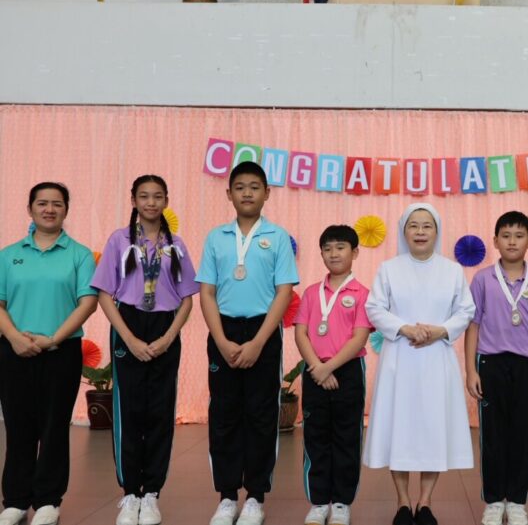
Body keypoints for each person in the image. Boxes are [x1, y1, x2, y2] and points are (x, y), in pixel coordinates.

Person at [91, 175, 200, 525]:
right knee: (129, 411)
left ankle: (151, 493)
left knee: (160, 411)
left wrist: (168, 337)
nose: (151, 202)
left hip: (165, 325)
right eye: (144, 196)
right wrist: (129, 339)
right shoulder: (119, 240)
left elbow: (187, 298)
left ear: (166, 201)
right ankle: (130, 494)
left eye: (157, 196)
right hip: (129, 324)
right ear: (134, 200)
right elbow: (104, 294)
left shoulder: (176, 244)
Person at [196, 162, 298, 525]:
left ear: (267, 193)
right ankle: (227, 497)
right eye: (240, 187)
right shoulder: (216, 237)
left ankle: (255, 496)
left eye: (255, 187)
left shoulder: (278, 237)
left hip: (263, 331)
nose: (247, 193)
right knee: (223, 415)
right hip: (223, 330)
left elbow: (284, 292)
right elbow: (206, 292)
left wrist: (258, 342)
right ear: (229, 194)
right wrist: (221, 340)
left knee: (260, 415)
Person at [363, 203, 475, 525]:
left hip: (437, 358)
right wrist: (404, 328)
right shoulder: (389, 269)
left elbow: (465, 310)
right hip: (400, 358)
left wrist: (441, 330)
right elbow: (375, 308)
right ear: (404, 231)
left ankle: (424, 503)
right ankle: (402, 502)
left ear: (437, 232)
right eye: (414, 225)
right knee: (399, 429)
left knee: (432, 429)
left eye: (427, 226)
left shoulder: (452, 270)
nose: (421, 232)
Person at [0, 182, 98, 525]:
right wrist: (14, 337)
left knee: (55, 426)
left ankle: (48, 500)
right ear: (30, 209)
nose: (49, 209)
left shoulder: (79, 255)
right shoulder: (9, 254)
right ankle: (15, 500)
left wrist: (53, 338)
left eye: (57, 204)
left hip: (61, 351)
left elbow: (88, 303)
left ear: (66, 210)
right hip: (14, 350)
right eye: (42, 203)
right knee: (18, 426)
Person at [464, 211, 528, 525]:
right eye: (506, 235)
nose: (512, 241)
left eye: (519, 236)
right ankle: (493, 500)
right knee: (492, 435)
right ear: (495, 241)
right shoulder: (482, 279)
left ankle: (516, 501)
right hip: (490, 363)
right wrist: (471, 370)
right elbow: (473, 326)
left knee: (523, 435)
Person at [294, 225, 372, 525]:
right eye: (327, 249)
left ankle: (341, 502)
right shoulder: (312, 292)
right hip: (315, 369)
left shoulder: (362, 294)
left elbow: (359, 337)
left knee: (347, 436)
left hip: (348, 370)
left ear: (355, 253)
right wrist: (317, 366)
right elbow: (301, 333)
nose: (333, 254)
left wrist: (329, 367)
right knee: (315, 436)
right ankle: (318, 502)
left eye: (340, 247)